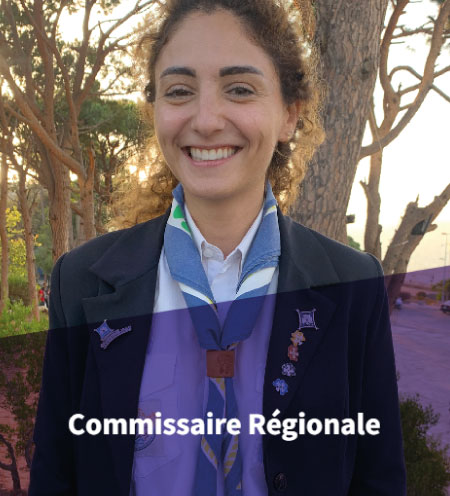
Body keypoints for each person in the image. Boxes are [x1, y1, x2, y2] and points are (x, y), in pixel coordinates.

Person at [29, 1, 406, 495]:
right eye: (179, 91)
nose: (206, 120)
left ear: (289, 114)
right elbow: (56, 474)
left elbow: (378, 479)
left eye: (240, 89)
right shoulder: (82, 282)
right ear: (156, 110)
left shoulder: (353, 285)